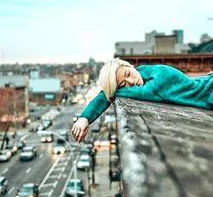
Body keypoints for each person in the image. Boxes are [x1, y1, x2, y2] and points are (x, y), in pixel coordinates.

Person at [72, 58, 213, 142]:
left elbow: (141, 93)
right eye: (123, 84)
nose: (131, 82)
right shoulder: (144, 72)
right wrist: (84, 118)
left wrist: (114, 90)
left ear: (130, 66)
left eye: (128, 74)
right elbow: (107, 94)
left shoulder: (160, 76)